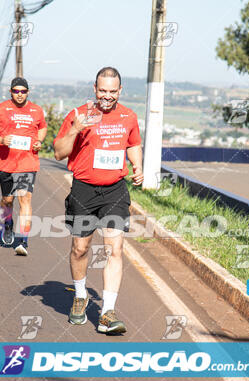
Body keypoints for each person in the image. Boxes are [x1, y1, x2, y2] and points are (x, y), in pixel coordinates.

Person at [54, 66, 143, 334]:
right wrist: (75, 130)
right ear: (95, 89)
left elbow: (133, 143)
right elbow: (59, 152)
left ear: (120, 91)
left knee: (114, 249)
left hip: (115, 190)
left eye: (112, 91)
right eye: (102, 91)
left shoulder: (128, 116)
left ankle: (107, 313)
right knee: (80, 248)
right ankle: (80, 296)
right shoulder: (79, 114)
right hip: (84, 189)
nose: (107, 96)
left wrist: (137, 166)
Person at [0, 77, 47, 256]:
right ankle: (8, 223)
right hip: (5, 163)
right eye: (16, 91)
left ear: (28, 92)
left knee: (25, 200)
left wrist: (39, 141)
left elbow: (42, 127)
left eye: (23, 91)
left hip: (27, 162)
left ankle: (23, 240)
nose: (20, 95)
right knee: (8, 200)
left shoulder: (36, 110)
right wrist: (1, 140)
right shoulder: (0, 109)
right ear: (11, 92)